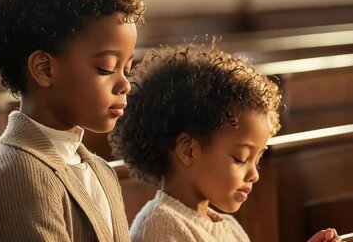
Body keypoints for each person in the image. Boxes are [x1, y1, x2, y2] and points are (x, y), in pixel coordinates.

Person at [0, 0, 145, 241]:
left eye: (127, 69)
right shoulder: (19, 174)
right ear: (45, 69)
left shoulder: (100, 170)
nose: (125, 84)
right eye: (106, 68)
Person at [109, 43, 339, 242]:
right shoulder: (160, 226)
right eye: (240, 159)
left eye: (257, 160)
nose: (254, 174)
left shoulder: (228, 227)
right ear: (188, 150)